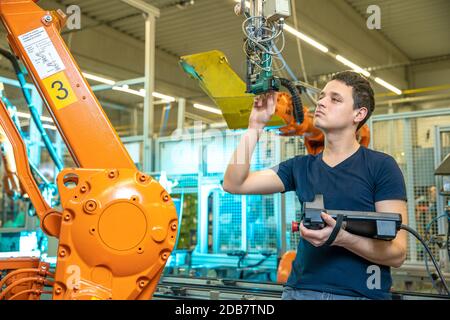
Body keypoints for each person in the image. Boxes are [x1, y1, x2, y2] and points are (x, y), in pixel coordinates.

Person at [223, 71, 408, 300]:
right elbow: (234, 183)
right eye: (321, 96)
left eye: (335, 99)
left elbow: (397, 253)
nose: (320, 102)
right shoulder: (300, 167)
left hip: (359, 295)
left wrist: (341, 238)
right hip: (300, 292)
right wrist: (254, 127)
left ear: (358, 114)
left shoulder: (381, 167)